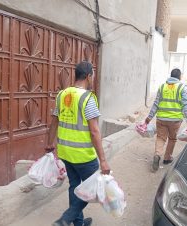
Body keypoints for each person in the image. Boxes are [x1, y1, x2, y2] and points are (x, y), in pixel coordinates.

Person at [46, 61, 110, 226]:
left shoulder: (62, 94)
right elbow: (94, 131)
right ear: (88, 76)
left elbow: (54, 121)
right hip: (82, 155)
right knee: (92, 189)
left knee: (75, 186)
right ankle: (66, 219)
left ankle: (78, 222)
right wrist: (103, 160)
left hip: (65, 152)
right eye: (92, 75)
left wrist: (49, 143)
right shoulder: (87, 98)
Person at [145, 68, 187, 172]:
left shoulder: (162, 87)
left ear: (171, 76)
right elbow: (185, 106)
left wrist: (149, 117)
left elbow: (156, 104)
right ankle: (167, 158)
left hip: (161, 119)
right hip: (175, 120)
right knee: (172, 139)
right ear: (179, 77)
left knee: (161, 138)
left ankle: (157, 155)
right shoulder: (182, 88)